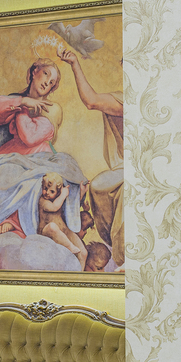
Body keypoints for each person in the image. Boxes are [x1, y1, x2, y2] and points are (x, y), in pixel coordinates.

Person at [0, 58, 86, 267]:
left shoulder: (52, 108)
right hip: (11, 155)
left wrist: (21, 109)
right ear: (34, 71)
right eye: (46, 74)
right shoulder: (17, 99)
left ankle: (13, 227)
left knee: (27, 183)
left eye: (52, 82)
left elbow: (30, 137)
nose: (47, 83)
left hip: (38, 157)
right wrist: (23, 102)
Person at [58, 45, 124, 267]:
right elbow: (91, 100)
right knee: (97, 186)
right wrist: (75, 64)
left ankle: (123, 256)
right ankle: (115, 247)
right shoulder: (123, 100)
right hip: (125, 167)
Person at [37, 173, 88, 268]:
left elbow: (72, 207)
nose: (47, 192)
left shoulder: (59, 199)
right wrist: (63, 194)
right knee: (52, 227)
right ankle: (70, 246)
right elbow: (54, 207)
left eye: (52, 191)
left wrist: (82, 191)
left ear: (58, 192)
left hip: (63, 230)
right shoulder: (43, 201)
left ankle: (79, 274)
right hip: (46, 231)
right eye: (45, 188)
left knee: (83, 253)